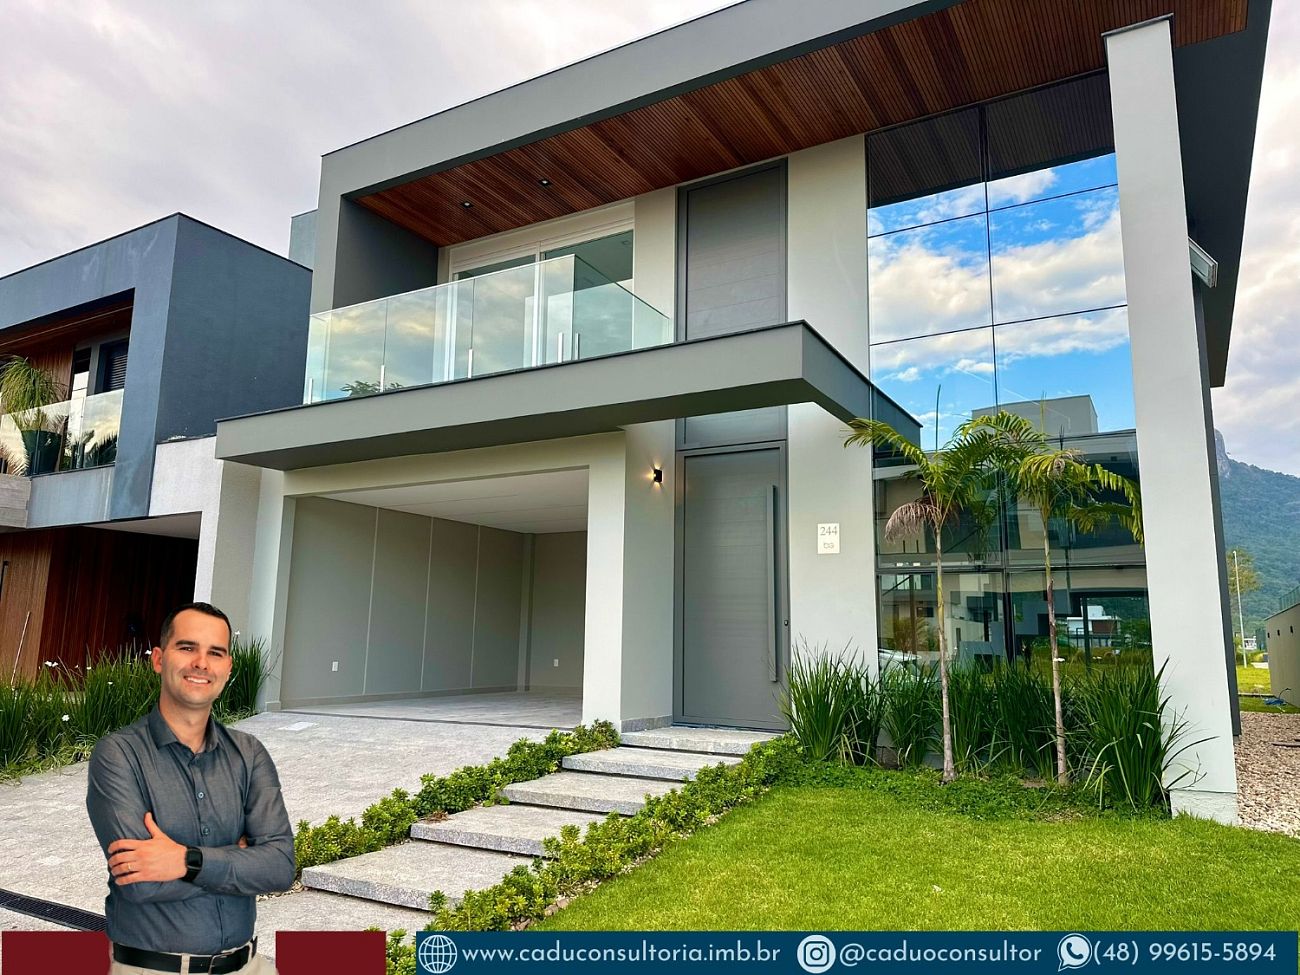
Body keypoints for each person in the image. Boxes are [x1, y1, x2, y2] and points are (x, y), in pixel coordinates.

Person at [86, 602, 293, 975]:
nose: (201, 663)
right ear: (158, 659)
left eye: (215, 653)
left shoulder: (249, 754)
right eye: (187, 647)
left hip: (249, 966)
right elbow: (139, 884)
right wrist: (239, 860)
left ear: (228, 668)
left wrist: (185, 860)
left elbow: (278, 867)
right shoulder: (118, 755)